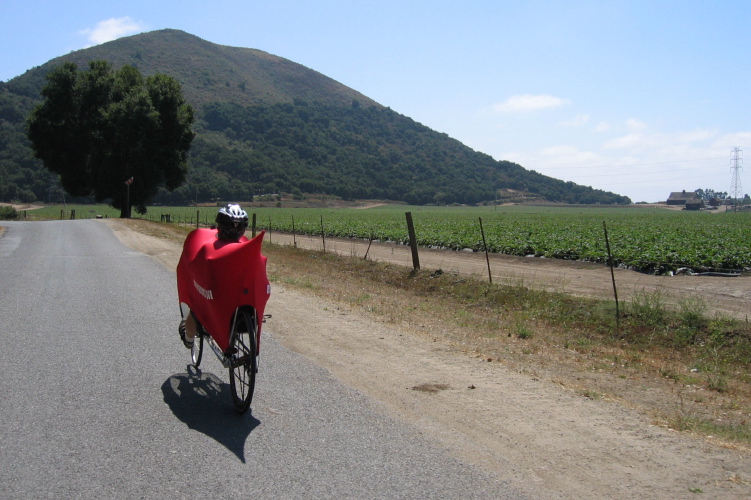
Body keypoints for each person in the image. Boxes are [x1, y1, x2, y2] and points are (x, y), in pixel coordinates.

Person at [178, 204, 249, 348]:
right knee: (196, 310)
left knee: (196, 310)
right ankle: (189, 338)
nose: (234, 230)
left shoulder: (244, 244)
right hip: (219, 290)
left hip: (227, 292)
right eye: (232, 226)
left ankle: (189, 338)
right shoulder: (209, 244)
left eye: (237, 227)